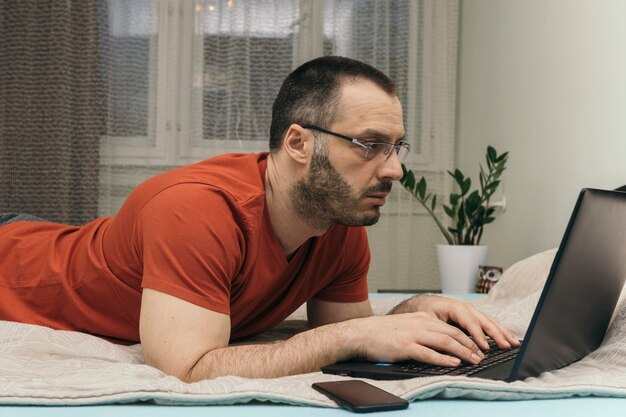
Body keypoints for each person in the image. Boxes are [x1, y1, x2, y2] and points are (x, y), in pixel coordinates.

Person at [0, 56, 518, 381]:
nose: (396, 169)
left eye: (397, 146)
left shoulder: (337, 220)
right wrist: (345, 339)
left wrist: (419, 307)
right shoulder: (194, 209)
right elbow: (188, 366)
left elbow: (351, 333)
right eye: (369, 145)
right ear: (297, 143)